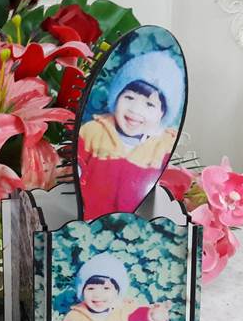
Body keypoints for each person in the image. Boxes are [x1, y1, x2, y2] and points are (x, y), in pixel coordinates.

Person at [77, 51, 184, 220]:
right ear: (116, 96)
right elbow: (71, 174)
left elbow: (170, 191)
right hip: (88, 223)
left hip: (136, 229)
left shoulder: (164, 147)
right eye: (129, 97)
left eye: (149, 104)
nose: (135, 109)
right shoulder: (92, 132)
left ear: (163, 114)